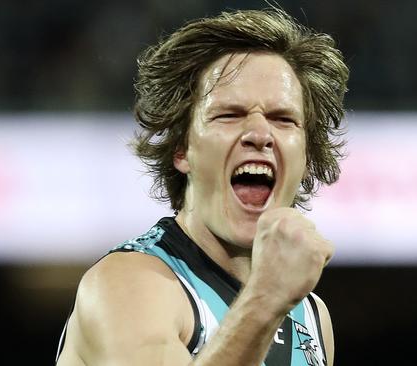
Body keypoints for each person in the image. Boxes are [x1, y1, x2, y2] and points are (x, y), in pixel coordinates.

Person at [55, 7, 348, 366]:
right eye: (229, 114)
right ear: (182, 149)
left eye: (282, 119)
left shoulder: (312, 317)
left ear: (305, 156)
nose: (259, 134)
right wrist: (266, 299)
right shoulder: (128, 284)